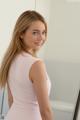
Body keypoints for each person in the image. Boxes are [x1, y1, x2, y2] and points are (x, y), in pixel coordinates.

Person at [0, 10, 53, 120]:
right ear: (21, 34)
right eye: (35, 32)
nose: (41, 38)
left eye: (43, 32)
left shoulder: (10, 59)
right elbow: (45, 112)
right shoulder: (36, 65)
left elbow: (11, 101)